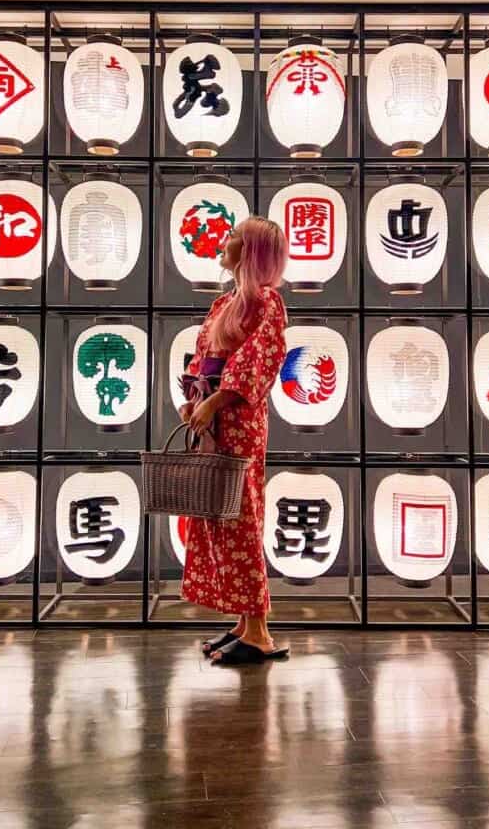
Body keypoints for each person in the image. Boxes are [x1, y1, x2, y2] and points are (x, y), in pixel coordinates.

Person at [178, 216, 289, 665]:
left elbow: (257, 362)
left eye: (235, 239)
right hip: (214, 420)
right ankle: (244, 624)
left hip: (239, 422)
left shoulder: (267, 303)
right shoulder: (225, 302)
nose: (225, 243)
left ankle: (260, 631)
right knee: (222, 517)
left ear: (253, 253)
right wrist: (192, 399)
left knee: (242, 520)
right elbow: (204, 359)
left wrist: (216, 401)